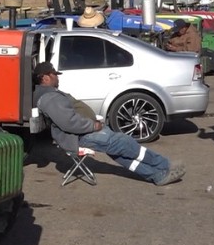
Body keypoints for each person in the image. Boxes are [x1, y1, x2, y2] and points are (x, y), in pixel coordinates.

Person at [33, 61, 185, 186]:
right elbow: (69, 123)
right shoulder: (50, 98)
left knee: (118, 151)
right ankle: (164, 165)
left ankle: (157, 175)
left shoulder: (49, 94)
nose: (57, 78)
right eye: (54, 75)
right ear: (45, 78)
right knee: (124, 143)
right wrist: (93, 125)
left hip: (82, 132)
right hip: (79, 136)